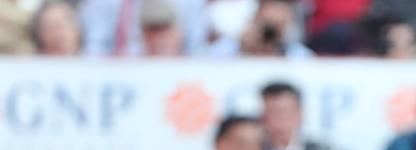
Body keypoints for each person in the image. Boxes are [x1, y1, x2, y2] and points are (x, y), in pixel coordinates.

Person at [257, 82, 350, 150]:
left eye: (285, 112)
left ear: (300, 114)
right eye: (273, 113)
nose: (280, 121)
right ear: (263, 117)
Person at [78, 0, 206, 55]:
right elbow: (95, 45)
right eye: (155, 29)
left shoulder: (189, 3)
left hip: (177, 69)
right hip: (122, 72)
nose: (159, 35)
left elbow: (196, 45)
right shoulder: (102, 4)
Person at [209, 0, 312, 57]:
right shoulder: (230, 46)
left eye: (280, 25)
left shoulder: (296, 53)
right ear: (256, 18)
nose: (270, 32)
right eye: (267, 25)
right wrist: (243, 47)